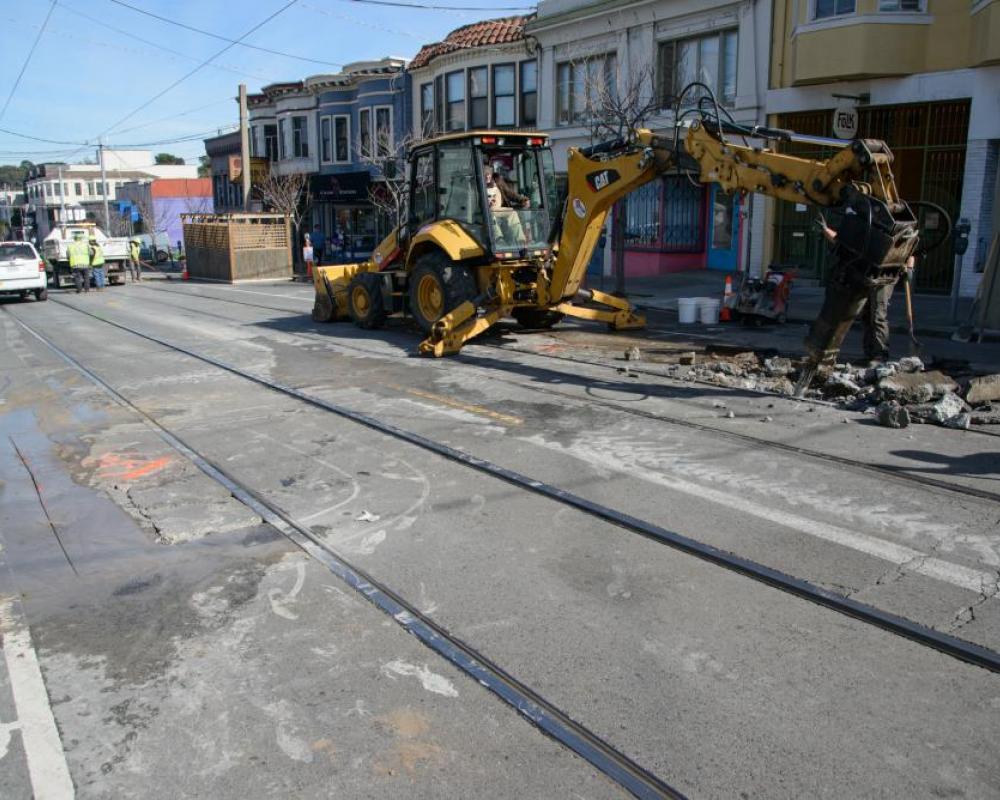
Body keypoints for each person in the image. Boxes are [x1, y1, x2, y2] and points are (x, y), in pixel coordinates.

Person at [816, 219, 914, 365]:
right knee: (867, 314)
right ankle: (870, 354)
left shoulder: (896, 229)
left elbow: (911, 250)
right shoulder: (870, 227)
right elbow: (842, 242)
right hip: (869, 273)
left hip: (885, 276)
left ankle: (880, 355)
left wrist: (910, 268)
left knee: (878, 314)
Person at [484, 162, 524, 247]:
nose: (487, 177)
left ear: (491, 174)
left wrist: (522, 199)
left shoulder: (498, 182)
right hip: (487, 211)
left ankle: (520, 239)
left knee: (513, 213)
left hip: (498, 210)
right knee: (491, 216)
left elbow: (509, 193)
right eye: (485, 175)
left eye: (488, 175)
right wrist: (487, 203)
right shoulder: (479, 186)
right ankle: (499, 239)